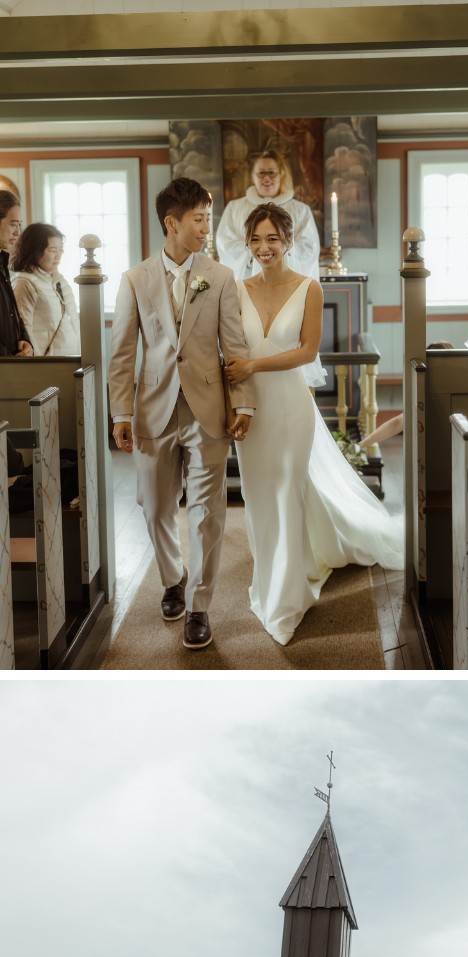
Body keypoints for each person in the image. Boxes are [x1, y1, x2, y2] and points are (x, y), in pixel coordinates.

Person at [224, 202, 403, 646]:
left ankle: (287, 599)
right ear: (247, 243)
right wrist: (236, 400)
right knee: (258, 497)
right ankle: (268, 581)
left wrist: (253, 366)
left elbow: (306, 352)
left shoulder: (309, 288)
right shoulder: (234, 289)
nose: (264, 248)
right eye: (256, 239)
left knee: (288, 494)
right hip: (250, 411)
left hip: (290, 408)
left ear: (287, 242)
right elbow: (227, 352)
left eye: (272, 239)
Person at [108, 177, 255, 652]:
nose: (206, 228)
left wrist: (244, 403)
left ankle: (198, 606)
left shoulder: (221, 276)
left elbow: (234, 346)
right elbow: (122, 353)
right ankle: (172, 577)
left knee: (208, 512)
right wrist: (119, 414)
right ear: (171, 223)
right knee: (154, 507)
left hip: (207, 409)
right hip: (152, 409)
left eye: (208, 219)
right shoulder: (135, 279)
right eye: (198, 219)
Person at [215, 149, 321, 281]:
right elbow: (226, 244)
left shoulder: (300, 210)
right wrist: (256, 256)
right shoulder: (234, 208)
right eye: (261, 173)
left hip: (287, 281)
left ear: (281, 175)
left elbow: (309, 248)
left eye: (271, 173)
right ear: (252, 176)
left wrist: (276, 256)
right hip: (246, 278)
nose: (266, 178)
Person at [11, 223, 80, 357]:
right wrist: (37, 365)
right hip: (46, 366)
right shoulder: (24, 283)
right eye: (53, 250)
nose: (58, 256)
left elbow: (73, 323)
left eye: (61, 250)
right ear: (35, 251)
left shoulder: (59, 281)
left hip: (70, 363)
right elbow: (24, 330)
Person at [0, 190, 32, 357]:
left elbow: (12, 314)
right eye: (13, 224)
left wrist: (24, 340)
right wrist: (10, 360)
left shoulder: (2, 261)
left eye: (19, 224)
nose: (18, 232)